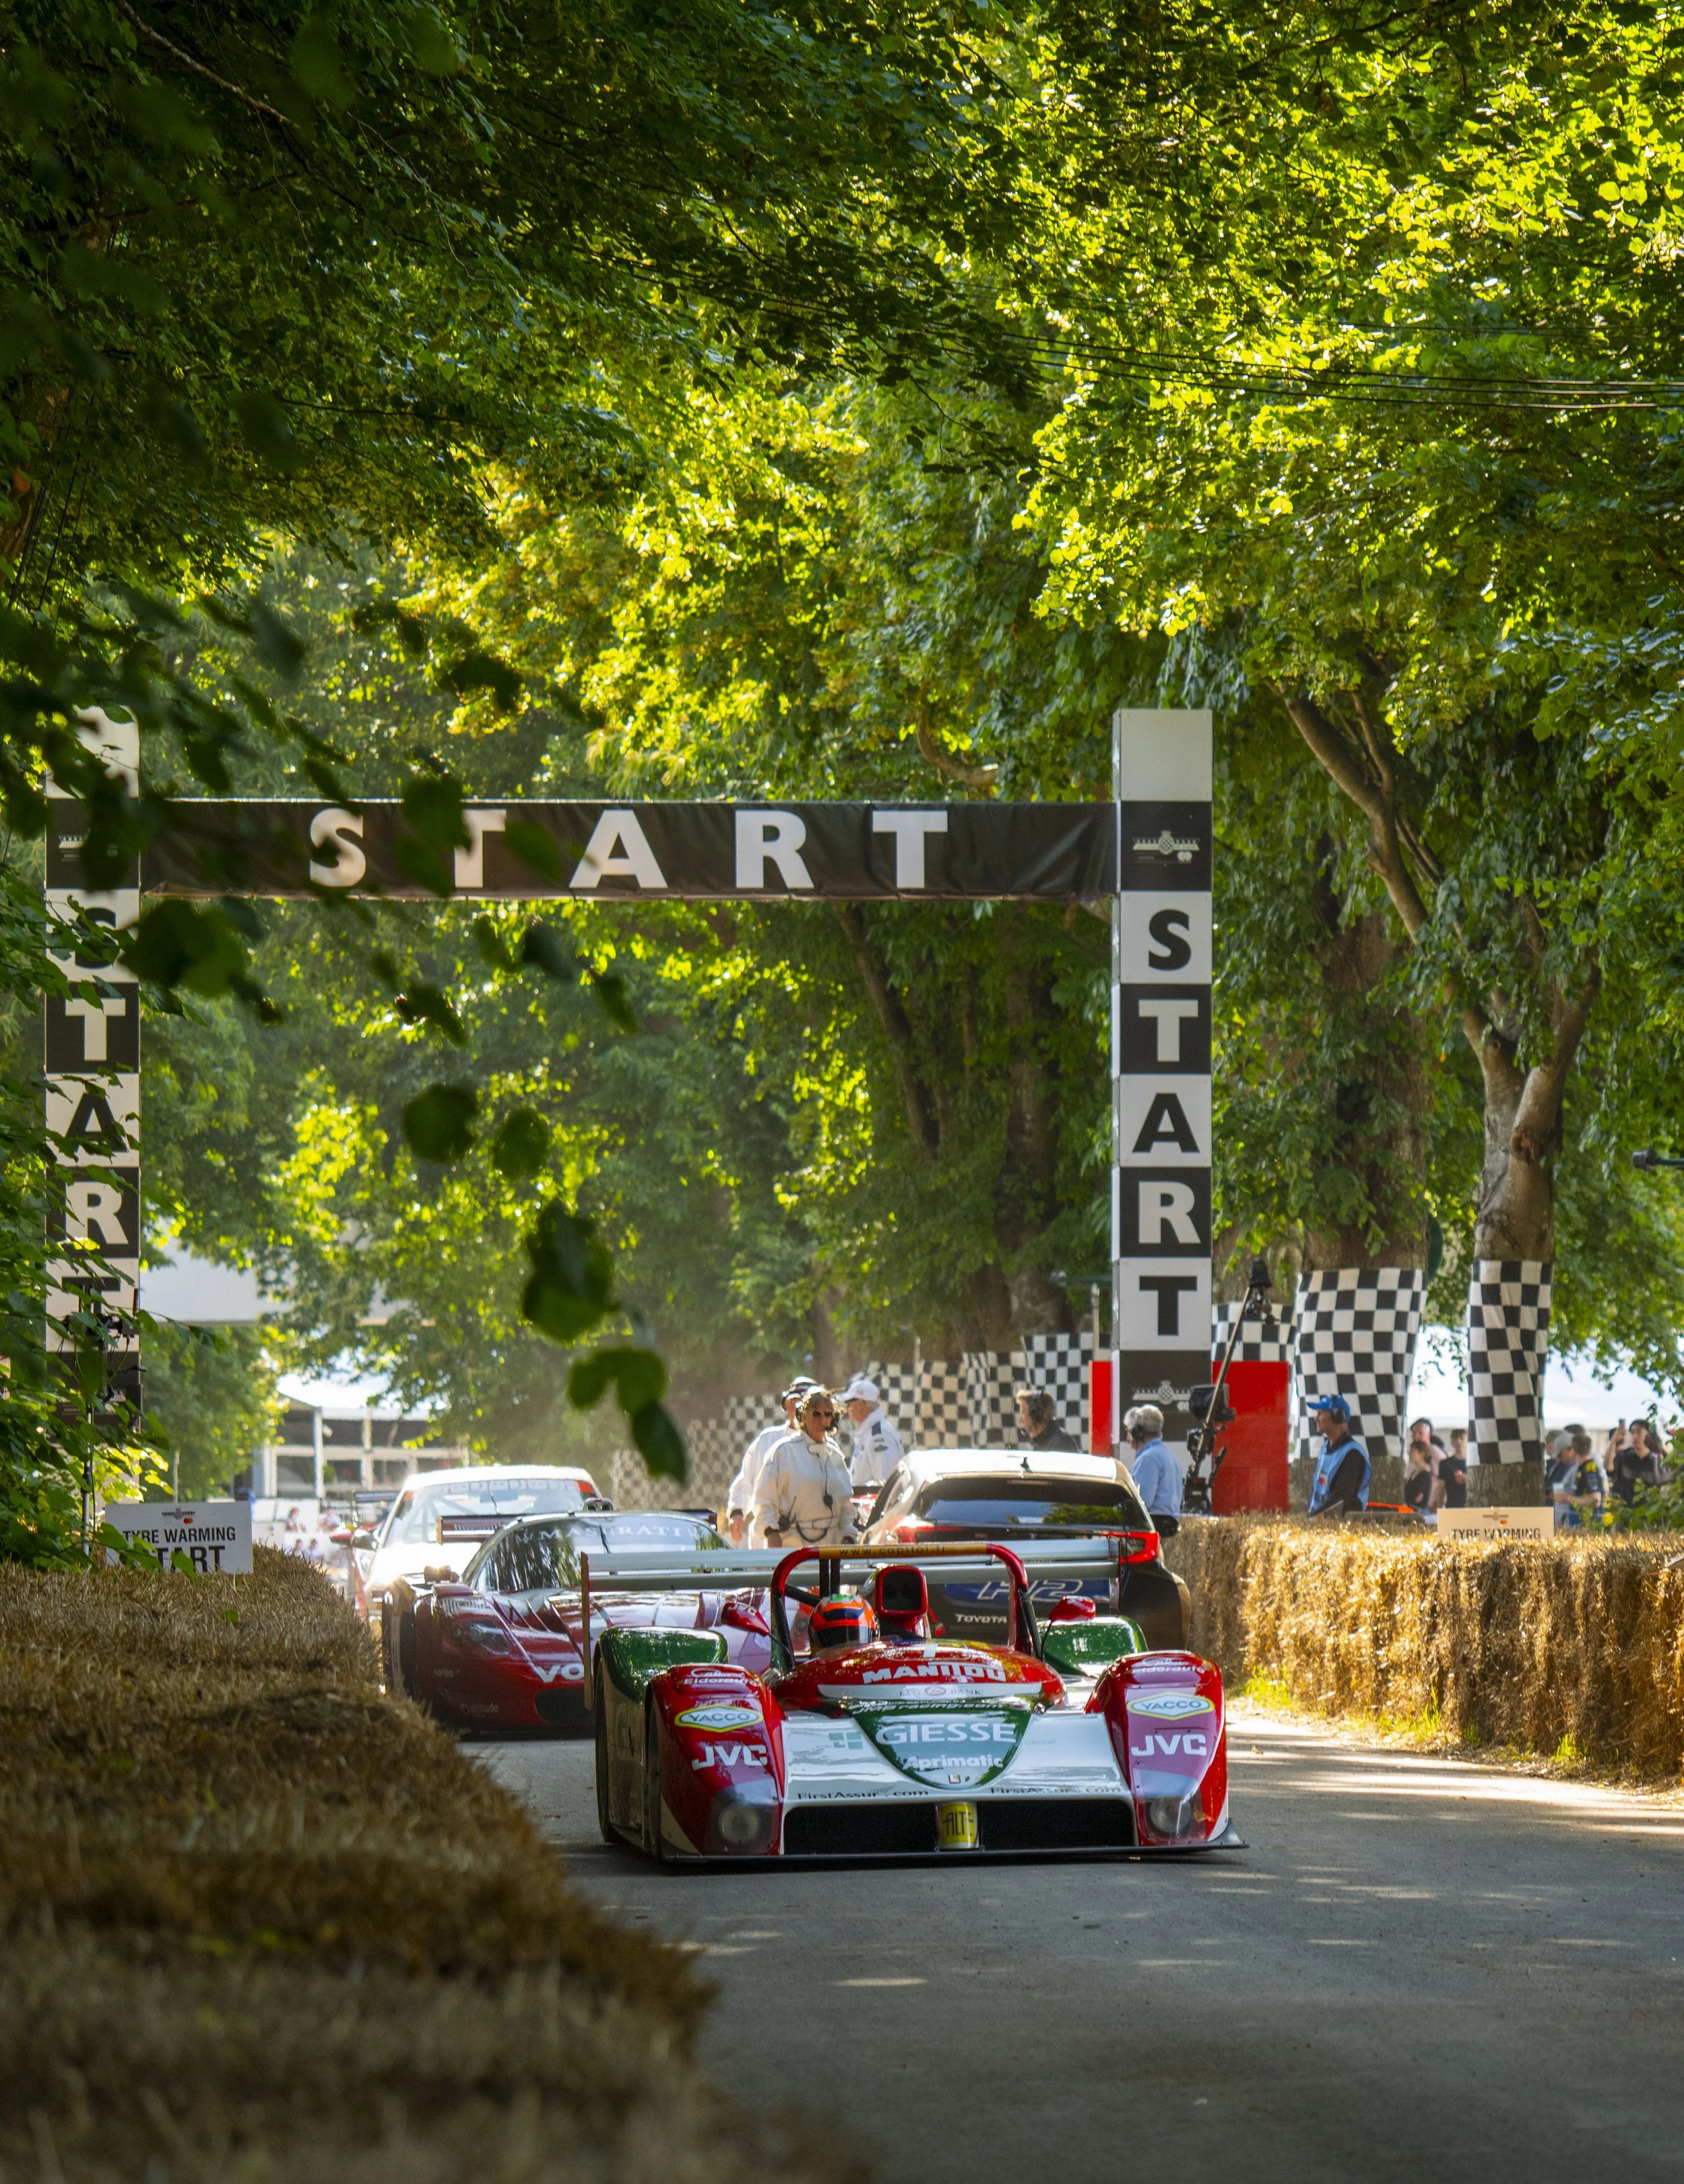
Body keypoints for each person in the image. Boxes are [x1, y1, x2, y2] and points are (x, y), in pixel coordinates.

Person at [754, 1387, 857, 1550]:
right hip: (793, 1547)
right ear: (804, 1416)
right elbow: (765, 1498)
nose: (822, 1419)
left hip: (831, 1548)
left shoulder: (835, 1455)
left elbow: (846, 1505)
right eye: (816, 1414)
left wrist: (848, 1536)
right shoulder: (784, 1452)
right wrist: (771, 1532)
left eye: (828, 1414)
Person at [726, 1378, 813, 1545]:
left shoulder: (825, 1448)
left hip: (809, 1541)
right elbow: (746, 1481)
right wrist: (737, 1512)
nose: (802, 1409)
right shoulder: (767, 1440)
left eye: (808, 1404)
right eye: (798, 1402)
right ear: (788, 1404)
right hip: (765, 1541)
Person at [1305, 1393, 1370, 1517]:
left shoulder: (1352, 1454)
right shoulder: (1325, 1449)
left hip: (1340, 1523)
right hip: (1320, 1519)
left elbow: (1340, 1499)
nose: (1316, 1419)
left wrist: (1312, 1518)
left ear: (1338, 1416)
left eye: (1320, 1413)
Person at [841, 1375, 904, 1492]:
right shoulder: (869, 1432)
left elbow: (885, 1484)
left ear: (860, 1404)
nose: (847, 1409)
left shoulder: (880, 1435)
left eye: (848, 1404)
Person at [1124, 1403, 1183, 1521]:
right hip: (1168, 1525)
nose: (1128, 1437)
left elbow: (1142, 1503)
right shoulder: (1168, 1456)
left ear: (1137, 1433)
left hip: (1154, 1526)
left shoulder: (1148, 1459)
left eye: (1129, 1432)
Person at [1015, 1385, 1080, 1453]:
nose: (1020, 1421)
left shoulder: (1061, 1444)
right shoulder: (1044, 1441)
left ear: (1036, 1415)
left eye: (1023, 1414)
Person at [1402, 1423, 1437, 1515]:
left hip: (1421, 1513)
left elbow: (1416, 1498)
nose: (1409, 1453)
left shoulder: (1425, 1475)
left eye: (1413, 1451)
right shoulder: (1414, 1471)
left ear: (1422, 1454)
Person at [1433, 1427, 1469, 1510]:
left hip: (1472, 1506)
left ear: (1467, 1441)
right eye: (1455, 1439)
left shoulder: (1473, 1464)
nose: (1459, 1441)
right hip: (1452, 1507)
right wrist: (1439, 1507)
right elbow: (1442, 1487)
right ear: (1452, 1442)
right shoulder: (1445, 1464)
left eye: (1462, 1438)